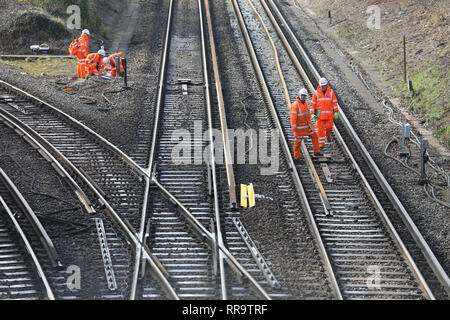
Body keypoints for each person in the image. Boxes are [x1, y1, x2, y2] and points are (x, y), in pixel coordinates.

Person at [290, 88, 322, 160]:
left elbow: (307, 116)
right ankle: (296, 157)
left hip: (306, 127)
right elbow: (293, 118)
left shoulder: (305, 104)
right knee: (297, 143)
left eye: (304, 96)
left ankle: (317, 152)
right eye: (302, 95)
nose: (303, 97)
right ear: (299, 95)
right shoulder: (295, 105)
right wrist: (294, 128)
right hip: (299, 129)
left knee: (314, 136)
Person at [310, 77, 339, 148]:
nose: (323, 87)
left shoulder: (331, 92)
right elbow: (312, 104)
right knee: (320, 130)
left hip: (329, 115)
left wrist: (336, 112)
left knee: (329, 127)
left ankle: (327, 135)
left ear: (326, 85)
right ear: (320, 85)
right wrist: (312, 113)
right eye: (321, 86)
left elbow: (334, 102)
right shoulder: (316, 93)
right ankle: (321, 144)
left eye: (324, 86)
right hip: (319, 114)